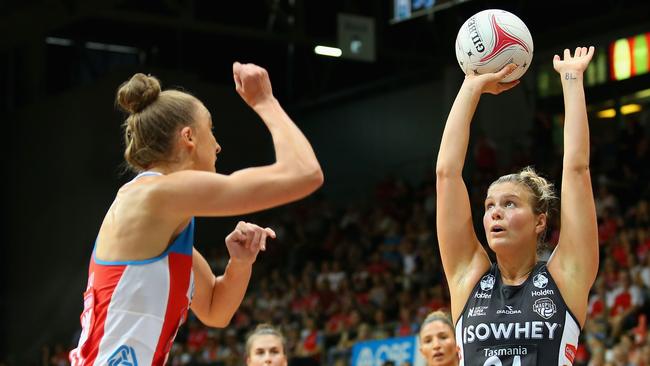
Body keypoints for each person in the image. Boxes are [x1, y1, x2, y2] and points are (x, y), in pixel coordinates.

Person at [69, 62, 323, 365]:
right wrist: (266, 103)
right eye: (210, 130)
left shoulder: (164, 224)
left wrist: (240, 264)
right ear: (189, 137)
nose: (217, 145)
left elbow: (216, 310)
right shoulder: (156, 195)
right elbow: (305, 174)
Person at [436, 47, 598, 365]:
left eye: (510, 204)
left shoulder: (567, 276)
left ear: (540, 221)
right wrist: (471, 86)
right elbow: (446, 175)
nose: (495, 211)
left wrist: (572, 78)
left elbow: (577, 171)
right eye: (490, 205)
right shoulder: (468, 278)